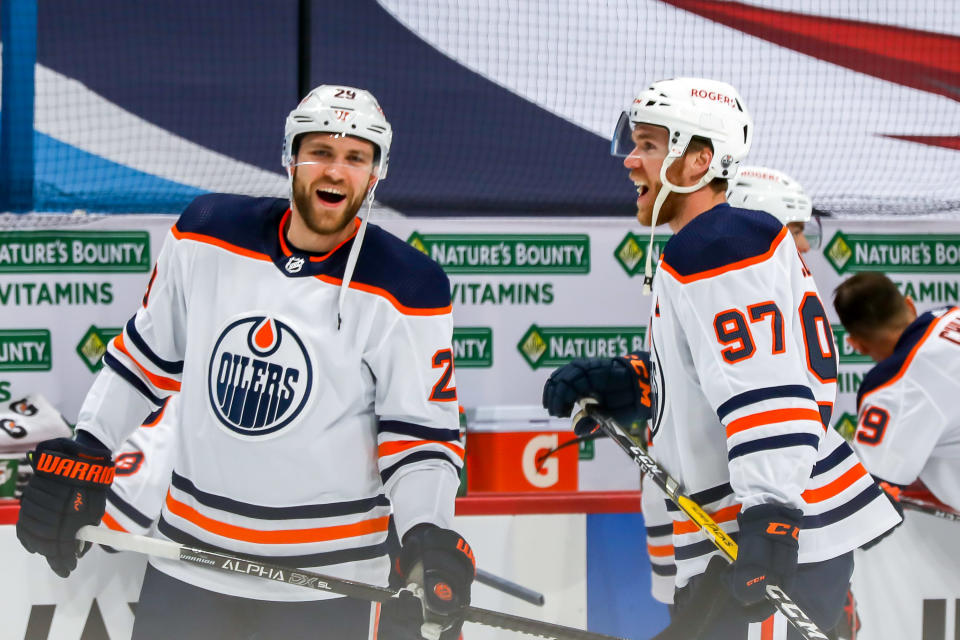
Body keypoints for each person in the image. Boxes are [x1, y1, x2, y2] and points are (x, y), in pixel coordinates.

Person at [16, 85, 475, 640]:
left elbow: (420, 439)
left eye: (356, 157)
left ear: (376, 173)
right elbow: (142, 359)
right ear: (290, 157)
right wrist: (90, 445)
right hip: (187, 562)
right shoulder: (207, 232)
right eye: (321, 152)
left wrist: (428, 531)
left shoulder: (408, 285)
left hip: (332, 583)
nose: (336, 170)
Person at [542, 77, 901, 639]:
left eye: (650, 145)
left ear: (700, 159)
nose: (631, 160)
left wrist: (770, 520)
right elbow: (722, 379)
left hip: (762, 536)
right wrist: (637, 385)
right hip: (739, 533)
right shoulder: (709, 243)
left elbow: (768, 393)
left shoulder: (718, 244)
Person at [833, 273, 960, 512]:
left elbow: (868, 502)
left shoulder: (895, 387)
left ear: (857, 345)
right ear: (910, 304)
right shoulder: (952, 314)